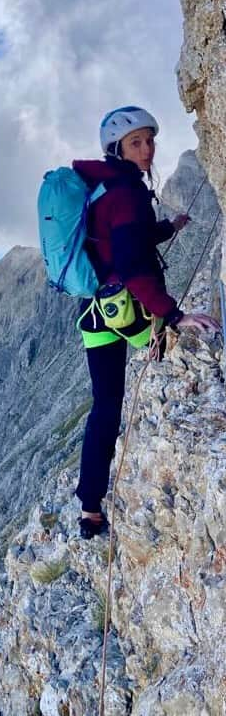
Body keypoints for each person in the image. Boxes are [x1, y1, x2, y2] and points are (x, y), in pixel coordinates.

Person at [72, 106, 220, 539]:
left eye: (149, 140)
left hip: (95, 311)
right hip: (120, 309)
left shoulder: (111, 187)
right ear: (117, 148)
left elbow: (123, 240)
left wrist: (168, 227)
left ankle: (89, 507)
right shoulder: (127, 192)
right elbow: (133, 264)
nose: (147, 148)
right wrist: (174, 313)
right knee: (123, 390)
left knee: (104, 405)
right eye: (136, 142)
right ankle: (91, 506)